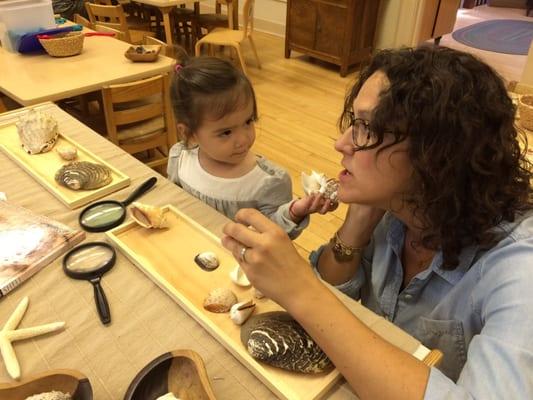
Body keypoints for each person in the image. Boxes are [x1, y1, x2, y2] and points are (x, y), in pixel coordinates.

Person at [221, 45, 533, 399]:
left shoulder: (520, 268)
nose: (342, 144)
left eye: (366, 128)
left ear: (437, 153)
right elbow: (339, 311)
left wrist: (299, 289)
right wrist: (356, 226)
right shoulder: (399, 211)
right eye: (353, 123)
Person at [167, 56, 336, 239]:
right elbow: (176, 203)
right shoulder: (180, 159)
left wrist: (294, 212)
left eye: (248, 121)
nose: (244, 139)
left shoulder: (267, 182)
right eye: (226, 132)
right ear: (189, 133)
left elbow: (274, 236)